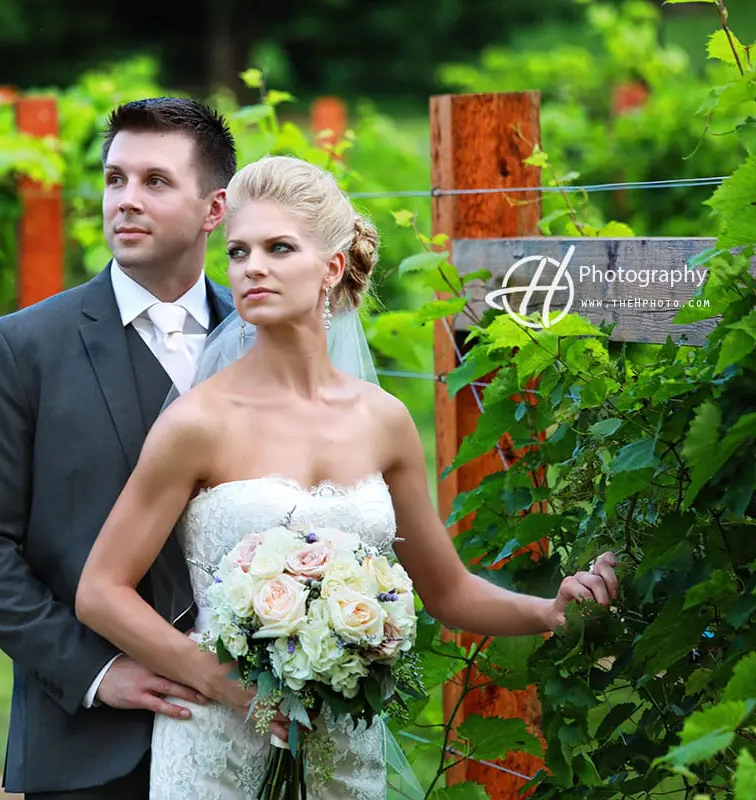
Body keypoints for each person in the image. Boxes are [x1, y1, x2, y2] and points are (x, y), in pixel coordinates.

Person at [74, 155, 621, 799]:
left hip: (343, 748)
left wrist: (550, 611)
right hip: (217, 745)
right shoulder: (198, 422)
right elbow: (101, 591)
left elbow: (446, 592)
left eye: (279, 248)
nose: (252, 267)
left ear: (332, 267)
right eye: (239, 251)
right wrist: (219, 681)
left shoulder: (384, 422)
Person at [0, 97, 241, 799]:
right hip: (88, 751)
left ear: (213, 209)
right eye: (114, 180)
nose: (125, 201)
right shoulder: (23, 347)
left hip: (249, 739)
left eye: (155, 182)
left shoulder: (265, 339)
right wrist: (97, 673)